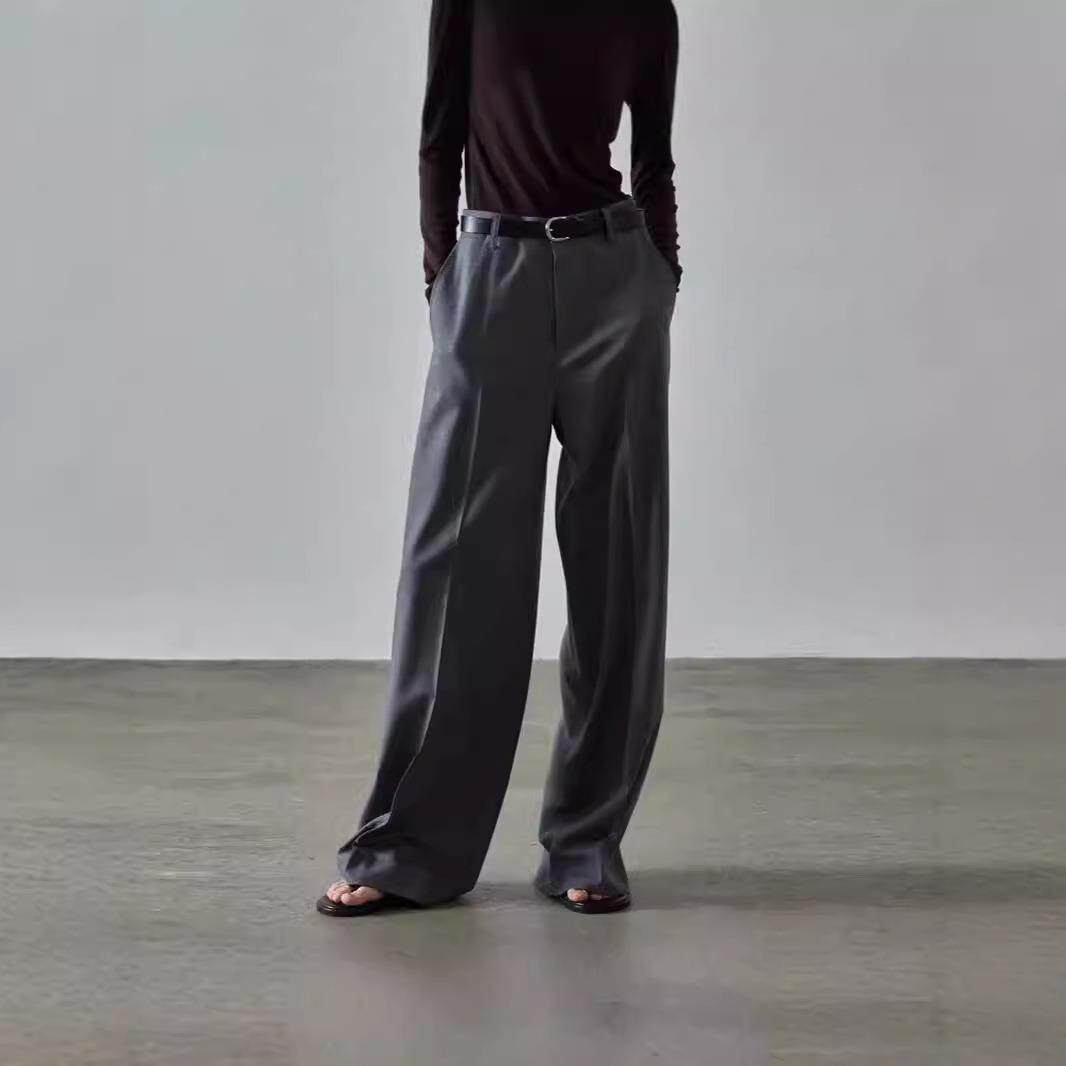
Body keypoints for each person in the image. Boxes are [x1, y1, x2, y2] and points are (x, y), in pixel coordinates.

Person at [318, 0, 681, 918]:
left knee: (618, 568)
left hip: (614, 283)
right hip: (491, 280)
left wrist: (660, 274)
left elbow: (654, 157)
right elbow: (439, 137)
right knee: (455, 570)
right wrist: (445, 274)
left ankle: (586, 842)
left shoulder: (646, 9)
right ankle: (409, 847)